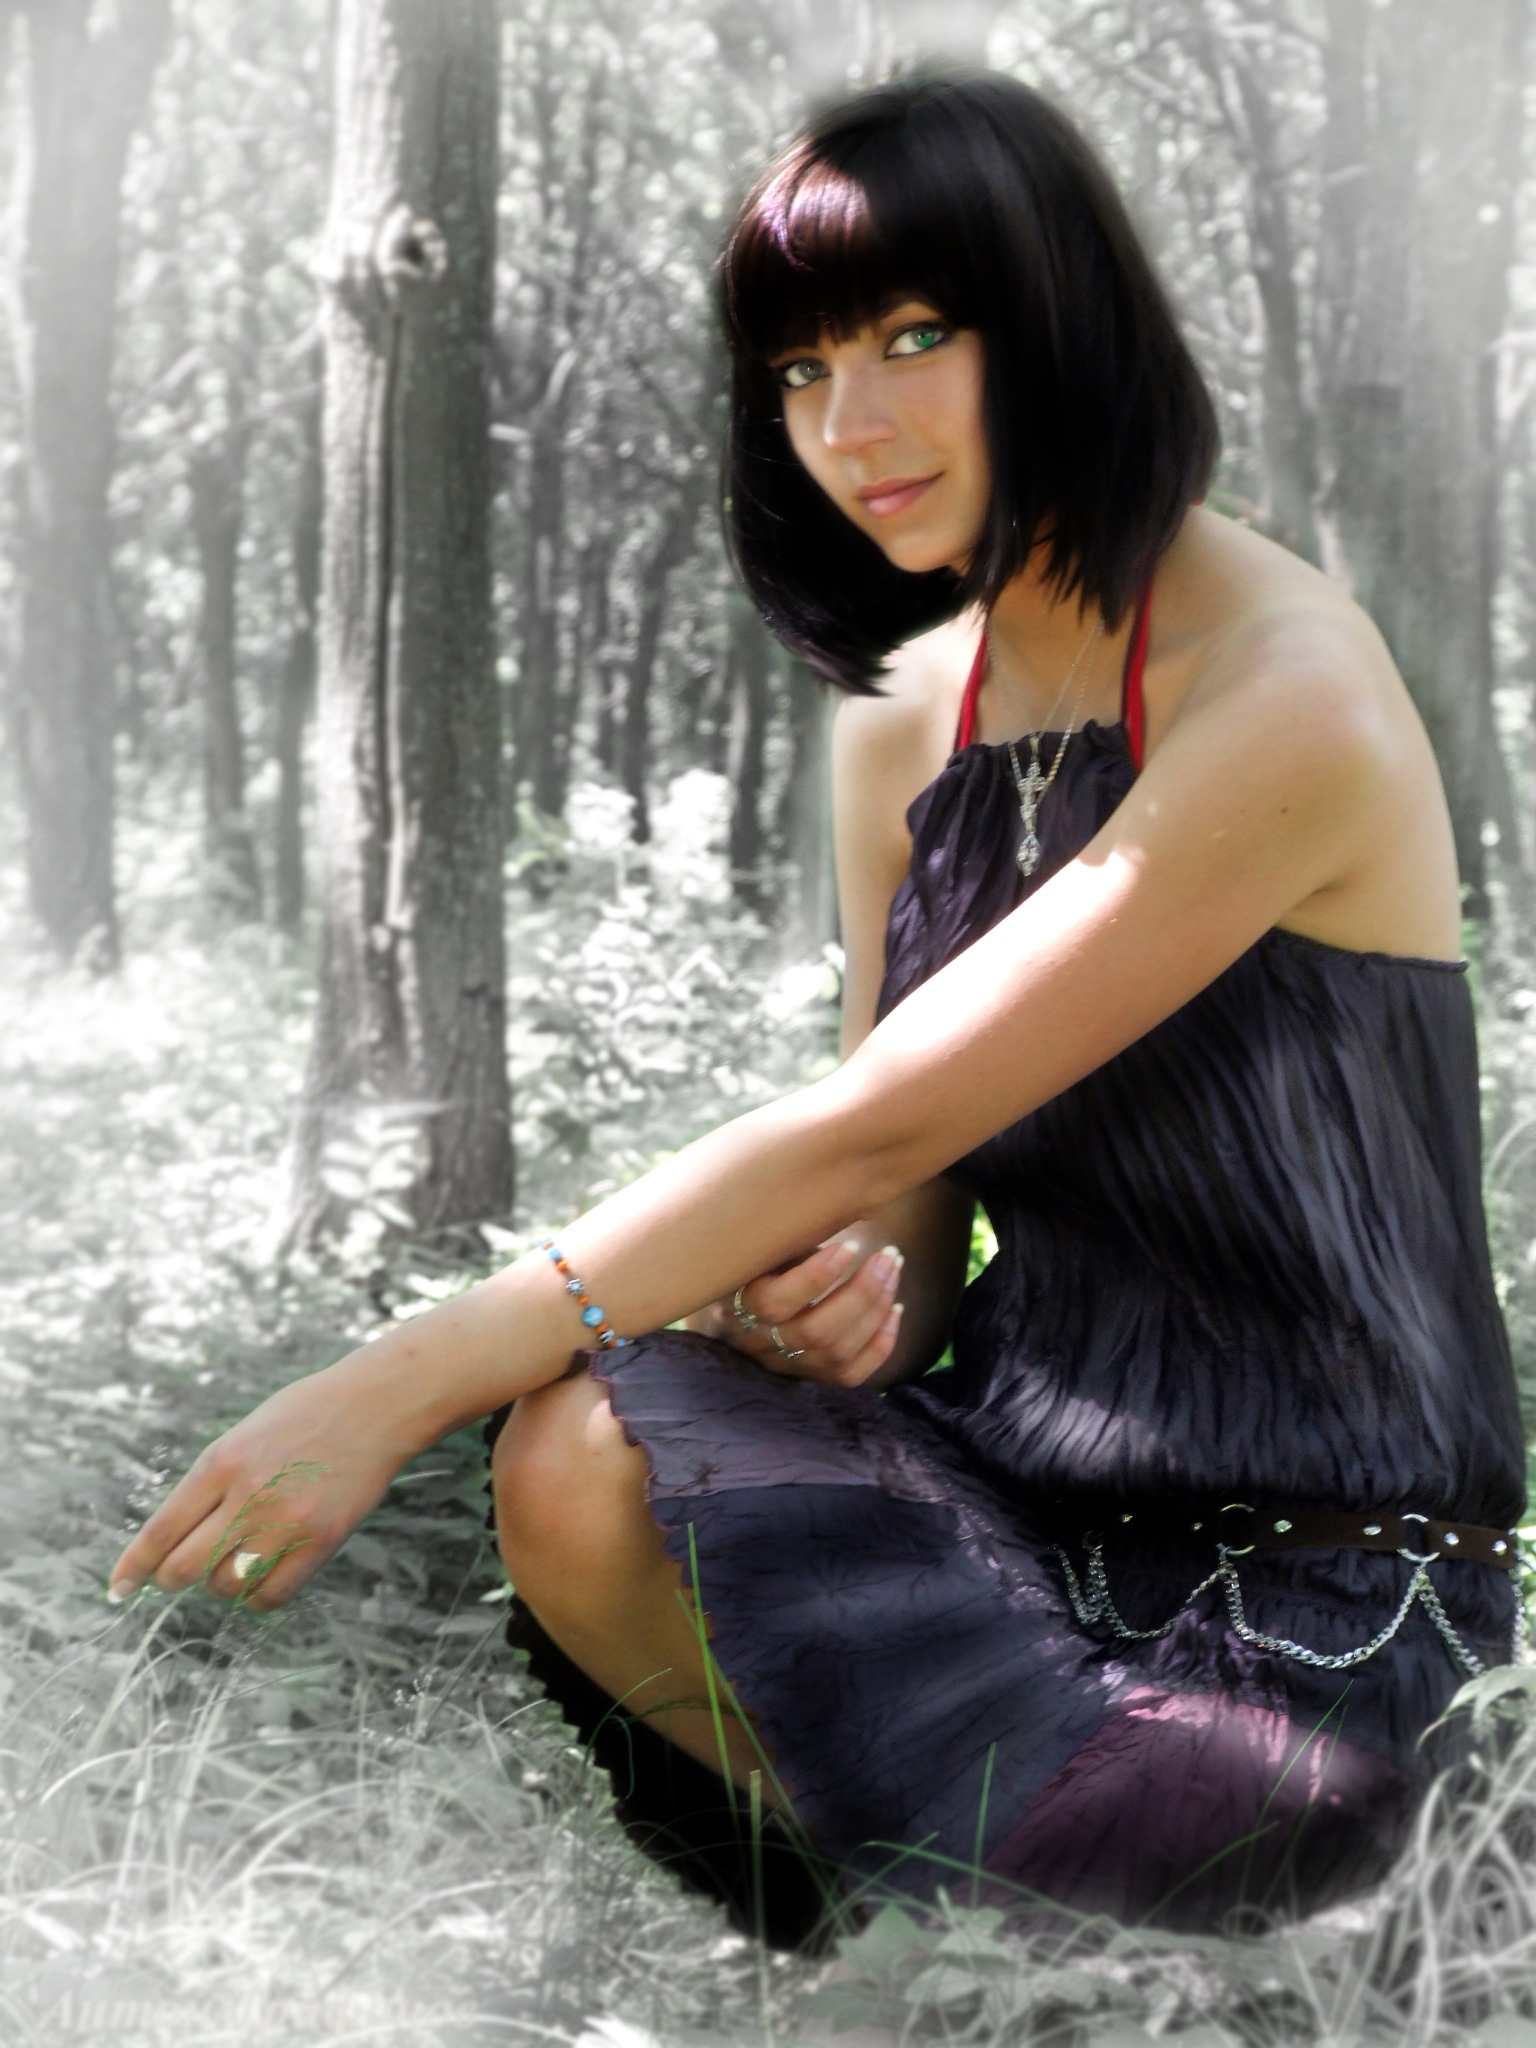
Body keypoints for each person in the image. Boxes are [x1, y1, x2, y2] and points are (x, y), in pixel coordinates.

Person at [108, 70, 1527, 1956]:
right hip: (1026, 1519)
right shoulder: (906, 726)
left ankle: (1075, 1945)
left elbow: (866, 1120)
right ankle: (930, 1951)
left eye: (916, 337)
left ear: (1065, 320)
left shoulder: (1286, 690)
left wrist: (392, 1378)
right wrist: (844, 1293)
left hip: (1329, 1607)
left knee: (1158, 1856)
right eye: (798, 370)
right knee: (582, 1452)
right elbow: (904, 1193)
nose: (851, 426)